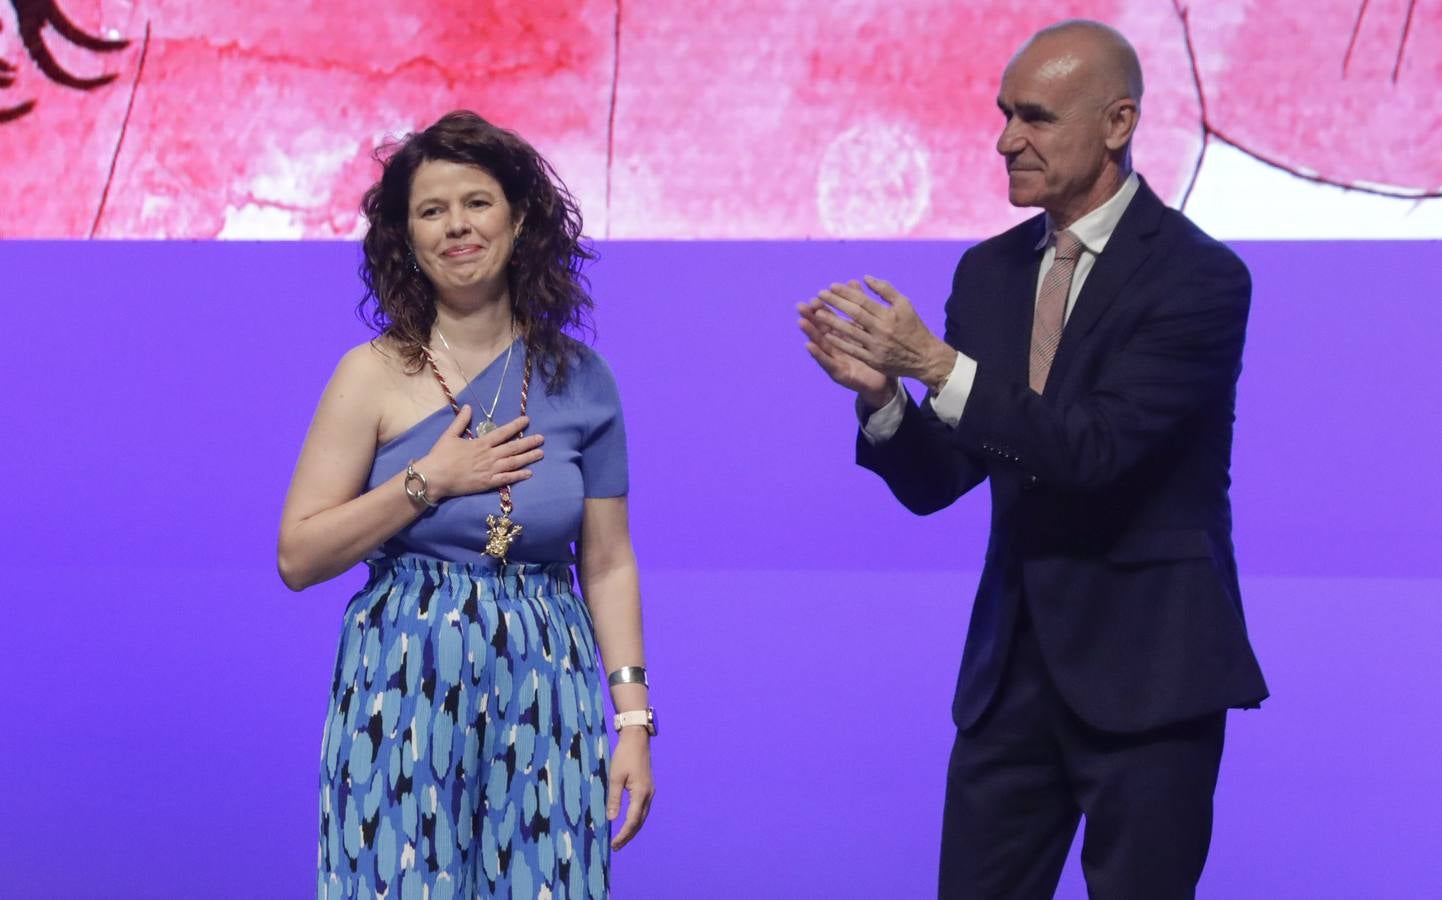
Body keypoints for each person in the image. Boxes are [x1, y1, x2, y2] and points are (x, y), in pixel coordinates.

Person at [798, 20, 1267, 899]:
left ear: (1118, 123)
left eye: (1038, 117)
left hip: (1152, 678)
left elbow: (1096, 451)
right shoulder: (989, 273)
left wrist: (936, 365)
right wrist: (882, 399)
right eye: (1005, 113)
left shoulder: (1200, 280)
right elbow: (943, 478)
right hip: (1009, 679)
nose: (1006, 139)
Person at [278, 110, 655, 899]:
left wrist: (631, 722)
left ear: (520, 219)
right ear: (406, 240)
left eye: (477, 203)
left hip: (546, 682)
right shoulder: (370, 373)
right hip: (400, 677)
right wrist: (428, 482)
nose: (458, 226)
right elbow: (299, 556)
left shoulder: (585, 380)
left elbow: (610, 564)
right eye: (431, 210)